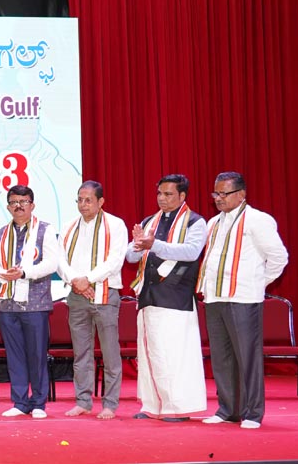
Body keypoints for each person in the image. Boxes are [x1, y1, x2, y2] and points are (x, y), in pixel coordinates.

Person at [198, 172, 288, 430]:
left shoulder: (258, 220)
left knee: (247, 357)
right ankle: (228, 410)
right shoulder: (213, 222)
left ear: (241, 194)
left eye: (224, 193)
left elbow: (279, 257)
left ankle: (253, 413)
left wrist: (259, 282)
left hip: (243, 298)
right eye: (216, 193)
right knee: (221, 358)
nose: (218, 198)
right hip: (214, 297)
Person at [126, 174, 207, 422]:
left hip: (176, 295)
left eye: (168, 194)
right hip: (148, 295)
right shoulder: (149, 221)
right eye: (160, 193)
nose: (162, 198)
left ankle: (177, 408)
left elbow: (191, 252)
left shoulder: (196, 222)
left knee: (173, 355)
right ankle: (152, 405)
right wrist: (138, 244)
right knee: (150, 353)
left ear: (182, 196)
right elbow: (130, 257)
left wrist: (154, 244)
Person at [57, 181, 128, 420]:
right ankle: (83, 401)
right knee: (81, 353)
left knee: (110, 353)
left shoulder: (115, 224)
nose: (83, 204)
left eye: (88, 200)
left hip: (105, 295)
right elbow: (60, 261)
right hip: (76, 295)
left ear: (101, 202)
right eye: (80, 199)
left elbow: (115, 260)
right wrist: (75, 281)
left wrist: (87, 279)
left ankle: (110, 404)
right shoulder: (69, 227)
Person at [0, 185, 60, 419]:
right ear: (8, 206)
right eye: (14, 202)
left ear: (32, 205)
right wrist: (4, 274)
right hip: (7, 303)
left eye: (23, 201)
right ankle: (19, 402)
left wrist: (24, 273)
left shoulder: (45, 230)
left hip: (35, 303)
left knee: (37, 354)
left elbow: (52, 263)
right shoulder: (1, 233)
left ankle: (38, 402)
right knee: (15, 355)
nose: (18, 206)